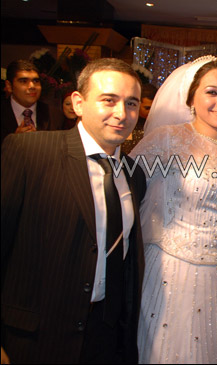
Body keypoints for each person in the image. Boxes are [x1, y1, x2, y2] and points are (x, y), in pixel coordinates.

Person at [1, 58, 146, 363]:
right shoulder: (29, 152)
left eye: (131, 103)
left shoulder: (133, 174)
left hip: (104, 338)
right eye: (109, 100)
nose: (122, 113)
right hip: (33, 339)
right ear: (78, 103)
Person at [130, 56, 217, 364]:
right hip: (174, 273)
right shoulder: (167, 139)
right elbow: (124, 189)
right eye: (212, 92)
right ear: (191, 98)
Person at [1, 59, 64, 144]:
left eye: (36, 81)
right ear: (9, 86)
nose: (32, 86)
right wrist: (13, 143)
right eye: (23, 81)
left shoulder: (55, 115)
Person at [121, 83, 156, 155]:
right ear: (137, 104)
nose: (150, 112)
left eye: (153, 108)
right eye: (147, 108)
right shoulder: (127, 122)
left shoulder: (157, 125)